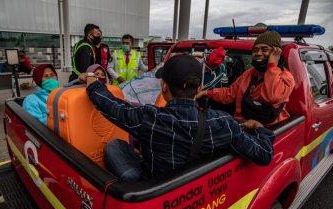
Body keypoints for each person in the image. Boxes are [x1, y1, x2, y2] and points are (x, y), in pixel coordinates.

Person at [85, 55, 275, 182]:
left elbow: (111, 106)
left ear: (164, 86)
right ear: (200, 88)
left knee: (114, 145)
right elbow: (264, 155)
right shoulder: (223, 122)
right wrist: (260, 129)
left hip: (152, 186)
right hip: (196, 189)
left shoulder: (149, 118)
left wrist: (93, 83)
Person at [196, 31, 295, 125]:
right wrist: (206, 93)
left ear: (276, 53)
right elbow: (230, 93)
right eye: (255, 50)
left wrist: (272, 65)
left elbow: (272, 97)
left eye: (264, 49)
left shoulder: (285, 77)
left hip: (267, 132)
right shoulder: (249, 74)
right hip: (242, 126)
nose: (258, 53)